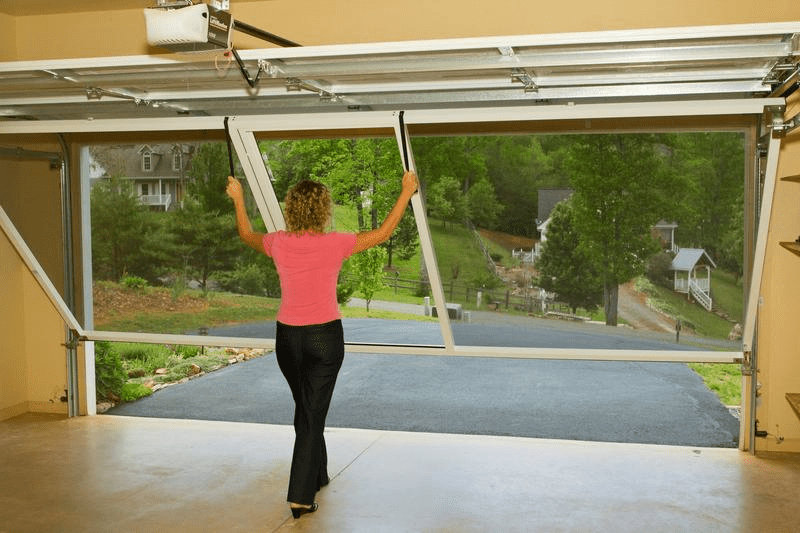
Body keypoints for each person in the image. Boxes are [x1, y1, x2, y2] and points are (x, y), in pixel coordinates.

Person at [226, 170, 418, 518]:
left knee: (307, 407)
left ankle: (318, 472)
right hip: (324, 340)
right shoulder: (337, 243)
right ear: (323, 211)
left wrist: (239, 198)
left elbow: (244, 233)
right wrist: (406, 191)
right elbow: (384, 232)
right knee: (312, 412)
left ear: (291, 210)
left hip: (288, 339)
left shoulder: (277, 243)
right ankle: (300, 495)